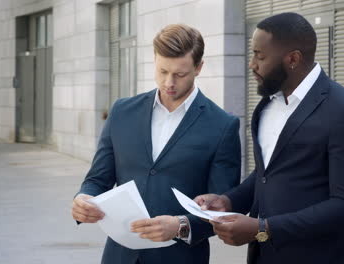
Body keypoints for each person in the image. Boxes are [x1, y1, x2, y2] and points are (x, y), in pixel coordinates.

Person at [195, 12, 344, 264]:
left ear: (292, 59)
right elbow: (266, 174)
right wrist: (228, 200)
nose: (252, 64)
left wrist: (263, 228)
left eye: (260, 55)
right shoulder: (267, 105)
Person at [71, 24, 241, 264]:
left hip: (180, 257)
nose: (169, 82)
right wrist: (84, 198)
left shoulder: (223, 126)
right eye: (162, 71)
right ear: (154, 60)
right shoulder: (122, 112)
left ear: (199, 67)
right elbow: (97, 179)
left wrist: (181, 226)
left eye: (180, 74)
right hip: (119, 257)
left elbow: (221, 208)